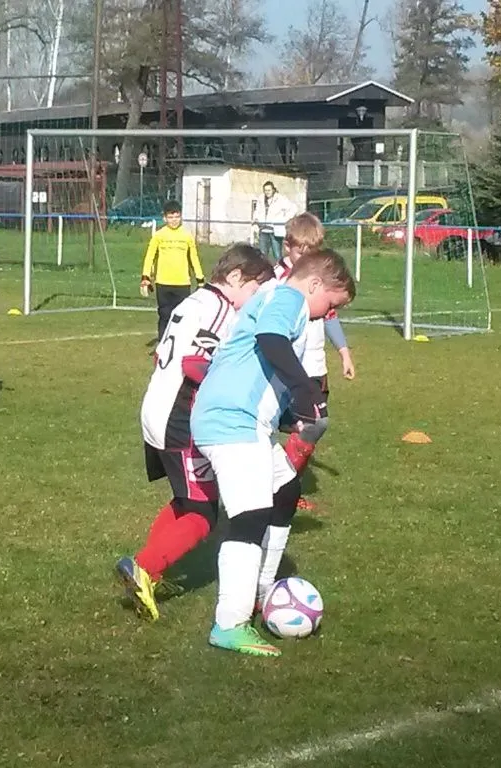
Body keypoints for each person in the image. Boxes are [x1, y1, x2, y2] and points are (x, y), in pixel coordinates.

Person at [191, 248, 356, 657]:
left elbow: (258, 368)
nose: (327, 314)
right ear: (314, 284)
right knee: (250, 518)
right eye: (330, 305)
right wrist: (305, 390)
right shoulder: (289, 298)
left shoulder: (278, 300)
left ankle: (263, 591)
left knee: (284, 490)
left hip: (241, 419)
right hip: (232, 421)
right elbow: (270, 341)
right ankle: (230, 624)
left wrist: (289, 415)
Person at [116, 244, 276, 621]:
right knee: (204, 513)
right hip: (181, 416)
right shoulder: (221, 309)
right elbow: (194, 364)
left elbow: (163, 354)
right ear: (235, 277)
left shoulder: (195, 301)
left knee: (186, 499)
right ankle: (144, 567)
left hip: (157, 405)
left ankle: (147, 571)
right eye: (254, 290)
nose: (253, 300)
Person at [273, 214, 356, 510]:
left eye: (313, 251)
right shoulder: (277, 280)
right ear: (287, 247)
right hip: (289, 369)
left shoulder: (319, 280)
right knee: (308, 424)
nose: (307, 257)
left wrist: (343, 352)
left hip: (315, 366)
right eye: (301, 251)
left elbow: (330, 316)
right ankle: (279, 489)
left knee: (313, 427)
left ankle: (285, 488)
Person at [140, 200, 204, 341]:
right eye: (170, 217)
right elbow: (150, 256)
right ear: (164, 218)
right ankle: (163, 343)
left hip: (182, 283)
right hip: (163, 282)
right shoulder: (159, 235)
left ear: (180, 216)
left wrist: (200, 279)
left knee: (181, 315)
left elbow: (193, 258)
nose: (174, 220)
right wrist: (145, 277)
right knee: (164, 314)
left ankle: (180, 344)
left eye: (176, 216)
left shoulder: (187, 235)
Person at [257, 181, 299, 262]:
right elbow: (257, 211)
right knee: (262, 256)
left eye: (269, 190)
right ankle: (264, 269)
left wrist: (284, 220)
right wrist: (257, 219)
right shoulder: (261, 199)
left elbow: (294, 209)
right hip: (263, 229)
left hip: (275, 231)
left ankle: (280, 269)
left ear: (273, 190)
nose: (267, 192)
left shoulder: (280, 199)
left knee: (277, 255)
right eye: (265, 190)